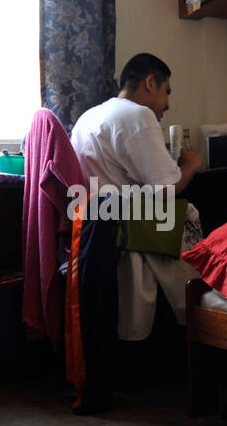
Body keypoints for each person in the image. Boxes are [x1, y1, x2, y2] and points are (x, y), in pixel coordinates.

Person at [70, 53, 203, 340]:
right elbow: (165, 190)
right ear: (150, 82)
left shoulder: (87, 118)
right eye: (167, 91)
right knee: (197, 215)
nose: (167, 104)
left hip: (93, 227)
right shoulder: (137, 115)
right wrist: (191, 165)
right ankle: (203, 323)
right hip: (129, 228)